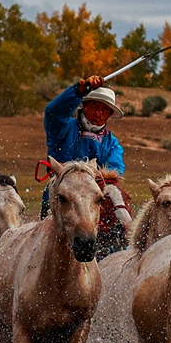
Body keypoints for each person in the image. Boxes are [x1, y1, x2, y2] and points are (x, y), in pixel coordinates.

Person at [41, 73, 134, 258]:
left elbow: (114, 171)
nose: (98, 114)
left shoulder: (111, 143)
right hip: (59, 200)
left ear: (109, 115)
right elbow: (52, 112)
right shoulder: (63, 128)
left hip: (95, 206)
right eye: (95, 107)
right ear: (83, 106)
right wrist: (77, 91)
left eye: (104, 110)